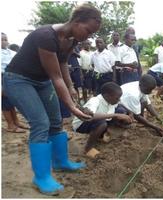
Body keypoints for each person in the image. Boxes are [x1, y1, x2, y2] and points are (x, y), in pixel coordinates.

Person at [3, 4, 101, 195]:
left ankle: (60, 162)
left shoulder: (71, 39)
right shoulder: (45, 36)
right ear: (76, 21)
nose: (88, 37)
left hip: (41, 81)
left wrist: (71, 87)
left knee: (55, 122)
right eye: (88, 31)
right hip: (18, 80)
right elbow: (55, 77)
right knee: (40, 123)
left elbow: (63, 63)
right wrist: (72, 107)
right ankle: (41, 177)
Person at [72, 82, 132, 158]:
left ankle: (102, 134)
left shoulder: (111, 101)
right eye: (117, 98)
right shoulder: (95, 100)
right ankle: (88, 148)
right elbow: (89, 116)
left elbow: (120, 104)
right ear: (107, 96)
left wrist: (130, 113)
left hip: (98, 121)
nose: (119, 99)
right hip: (82, 124)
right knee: (102, 123)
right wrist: (116, 115)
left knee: (121, 110)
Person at [1, 32, 28, 133]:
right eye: (2, 39)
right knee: (4, 101)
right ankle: (10, 125)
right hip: (2, 77)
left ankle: (16, 121)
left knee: (11, 100)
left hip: (12, 76)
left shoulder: (10, 52)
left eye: (6, 39)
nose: (5, 41)